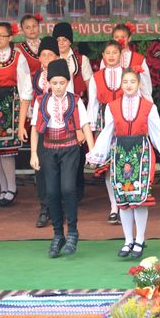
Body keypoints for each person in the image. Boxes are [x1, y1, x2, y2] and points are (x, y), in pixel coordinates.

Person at [87, 68, 160, 259]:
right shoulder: (112, 106)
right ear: (121, 84)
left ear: (139, 84)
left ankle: (140, 239)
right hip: (120, 153)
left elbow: (156, 131)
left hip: (141, 153)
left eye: (132, 82)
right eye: (125, 82)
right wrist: (97, 155)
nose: (128, 85)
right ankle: (128, 240)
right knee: (123, 199)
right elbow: (107, 133)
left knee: (140, 199)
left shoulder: (149, 107)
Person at [30, 60, 95, 258]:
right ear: (48, 83)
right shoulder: (41, 101)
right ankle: (58, 234)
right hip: (48, 149)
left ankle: (73, 231)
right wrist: (33, 153)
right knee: (51, 192)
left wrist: (92, 151)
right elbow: (35, 128)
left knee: (68, 188)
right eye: (54, 83)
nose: (58, 86)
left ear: (68, 82)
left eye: (62, 82)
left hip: (70, 149)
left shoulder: (75, 100)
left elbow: (85, 126)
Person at [19, 36, 70, 228]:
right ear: (39, 57)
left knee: (60, 168)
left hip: (61, 129)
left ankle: (61, 208)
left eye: (50, 54)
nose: (46, 58)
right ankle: (44, 207)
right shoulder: (33, 77)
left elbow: (72, 102)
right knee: (40, 169)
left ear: (57, 56)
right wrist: (20, 126)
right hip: (41, 128)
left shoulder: (63, 75)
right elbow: (25, 100)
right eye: (43, 54)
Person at [0, 22, 33, 206]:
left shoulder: (18, 57)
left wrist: (24, 113)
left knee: (6, 150)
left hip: (10, 105)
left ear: (10, 37)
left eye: (2, 35)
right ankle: (3, 187)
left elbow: (25, 86)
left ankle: (11, 187)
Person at [87, 39, 126, 223]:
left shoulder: (129, 74)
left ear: (121, 55)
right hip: (105, 124)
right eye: (108, 53)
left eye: (114, 52)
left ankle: (125, 204)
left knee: (125, 164)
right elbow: (93, 104)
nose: (111, 56)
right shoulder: (96, 77)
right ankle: (114, 207)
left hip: (126, 121)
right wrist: (91, 130)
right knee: (109, 167)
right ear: (102, 55)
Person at [53, 21, 93, 201]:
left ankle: (77, 186)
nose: (61, 43)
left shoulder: (81, 60)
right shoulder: (51, 58)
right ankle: (61, 189)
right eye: (58, 40)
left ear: (70, 41)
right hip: (56, 109)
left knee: (77, 148)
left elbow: (90, 87)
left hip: (76, 108)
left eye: (64, 39)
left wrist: (89, 112)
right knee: (57, 149)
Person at [111, 22, 152, 99]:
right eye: (116, 37)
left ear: (129, 38)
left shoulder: (139, 59)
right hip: (113, 101)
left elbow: (146, 85)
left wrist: (147, 102)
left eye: (123, 37)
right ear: (113, 39)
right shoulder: (106, 59)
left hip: (135, 101)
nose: (120, 39)